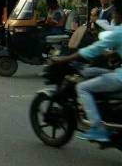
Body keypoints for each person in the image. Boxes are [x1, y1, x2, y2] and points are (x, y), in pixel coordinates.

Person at [52, 13, 122, 142]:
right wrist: (112, 54)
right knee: (91, 72)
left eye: (114, 15)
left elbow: (92, 50)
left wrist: (65, 58)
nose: (113, 18)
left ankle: (97, 128)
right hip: (115, 69)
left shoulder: (119, 32)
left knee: (82, 87)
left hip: (120, 77)